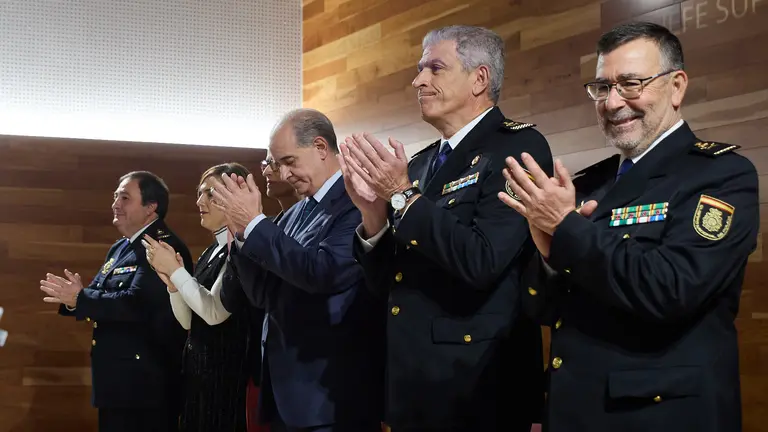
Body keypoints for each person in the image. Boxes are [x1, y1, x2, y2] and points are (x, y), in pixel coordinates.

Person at [501, 22, 759, 432]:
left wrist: (566, 228)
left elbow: (671, 289)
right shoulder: (587, 184)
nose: (613, 102)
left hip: (658, 416)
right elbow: (543, 309)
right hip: (575, 410)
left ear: (676, 87)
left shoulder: (722, 175)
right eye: (602, 88)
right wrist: (549, 254)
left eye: (631, 84)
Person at [340, 25, 553, 431]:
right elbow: (388, 282)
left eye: (435, 68)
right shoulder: (420, 165)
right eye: (421, 69)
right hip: (413, 384)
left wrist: (402, 195)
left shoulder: (515, 148)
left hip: (477, 387)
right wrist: (372, 213)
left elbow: (482, 260)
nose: (419, 80)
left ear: (480, 79)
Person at [213, 108, 385, 432]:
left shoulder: (357, 202)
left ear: (321, 148)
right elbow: (263, 293)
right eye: (278, 164)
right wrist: (239, 234)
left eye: (289, 162)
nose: (283, 173)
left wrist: (255, 223)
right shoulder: (293, 214)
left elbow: (322, 272)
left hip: (331, 396)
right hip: (286, 392)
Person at [40, 171, 193, 432]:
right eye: (115, 197)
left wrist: (82, 298)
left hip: (145, 387)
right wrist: (75, 299)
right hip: (118, 384)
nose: (115, 204)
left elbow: (136, 303)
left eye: (124, 197)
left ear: (150, 207)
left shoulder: (161, 247)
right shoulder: (121, 248)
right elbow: (99, 293)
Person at [143, 163, 254, 432]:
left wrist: (176, 270)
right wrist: (172, 285)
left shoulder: (242, 247)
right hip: (199, 374)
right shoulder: (210, 251)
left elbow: (215, 313)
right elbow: (189, 322)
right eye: (199, 193)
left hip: (227, 376)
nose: (199, 201)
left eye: (210, 194)